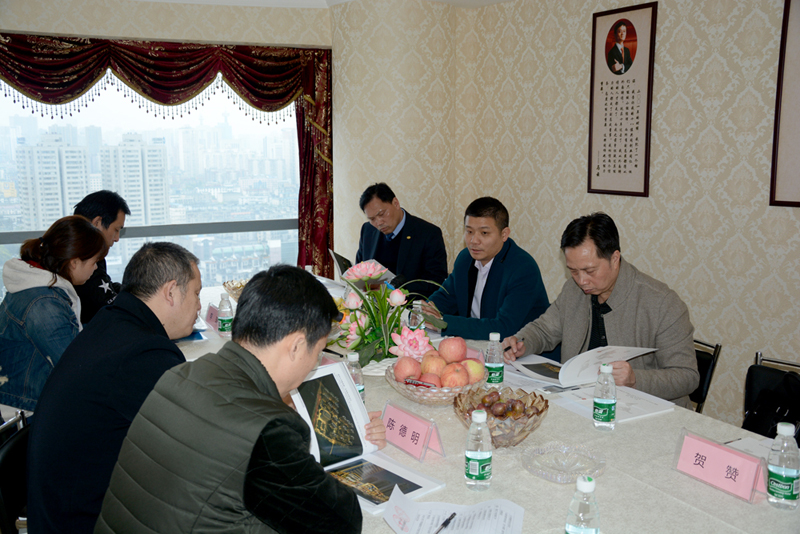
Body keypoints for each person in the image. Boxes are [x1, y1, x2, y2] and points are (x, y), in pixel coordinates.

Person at [95, 265, 386, 533]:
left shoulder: (181, 374)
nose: (315, 363)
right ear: (297, 345)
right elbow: (341, 521)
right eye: (318, 351)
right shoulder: (267, 432)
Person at [27, 242, 200, 534]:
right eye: (196, 293)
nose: (198, 305)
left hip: (59, 512)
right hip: (86, 522)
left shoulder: (112, 323)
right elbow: (196, 439)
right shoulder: (144, 353)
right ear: (171, 292)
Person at [503, 213, 700, 407]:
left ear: (615, 259)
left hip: (645, 410)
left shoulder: (662, 303)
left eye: (590, 271)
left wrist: (635, 379)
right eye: (573, 271)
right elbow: (544, 330)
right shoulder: (573, 291)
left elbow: (687, 376)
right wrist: (521, 342)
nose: (582, 281)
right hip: (580, 403)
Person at [0, 215, 107, 411]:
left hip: (25, 400)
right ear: (74, 262)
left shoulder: (37, 288)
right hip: (26, 409)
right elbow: (75, 367)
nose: (95, 268)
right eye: (94, 261)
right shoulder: (44, 304)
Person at [424, 197, 550, 341]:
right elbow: (446, 297)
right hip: (476, 343)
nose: (474, 241)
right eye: (469, 231)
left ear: (504, 234)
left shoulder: (523, 268)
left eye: (484, 233)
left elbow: (503, 328)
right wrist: (426, 309)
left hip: (519, 349)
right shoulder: (465, 258)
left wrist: (443, 323)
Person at [356, 183, 447, 298]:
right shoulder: (367, 230)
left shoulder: (428, 234)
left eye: (382, 214)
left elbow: (435, 282)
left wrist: (393, 290)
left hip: (409, 304)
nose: (379, 222)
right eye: (372, 219)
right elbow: (360, 268)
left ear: (396, 203)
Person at [73, 190, 130, 323]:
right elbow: (107, 305)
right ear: (97, 223)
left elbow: (106, 286)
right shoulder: (83, 258)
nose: (117, 238)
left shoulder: (90, 253)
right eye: (116, 230)